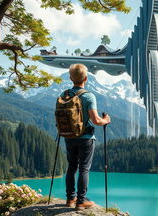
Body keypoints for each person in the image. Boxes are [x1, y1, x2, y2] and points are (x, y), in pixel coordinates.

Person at [63, 63, 111, 210]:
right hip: (86, 138)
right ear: (86, 78)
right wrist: (106, 120)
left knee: (71, 167)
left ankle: (70, 199)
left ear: (71, 78)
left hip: (69, 136)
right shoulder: (89, 96)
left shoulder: (64, 95)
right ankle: (81, 201)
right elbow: (96, 121)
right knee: (84, 168)